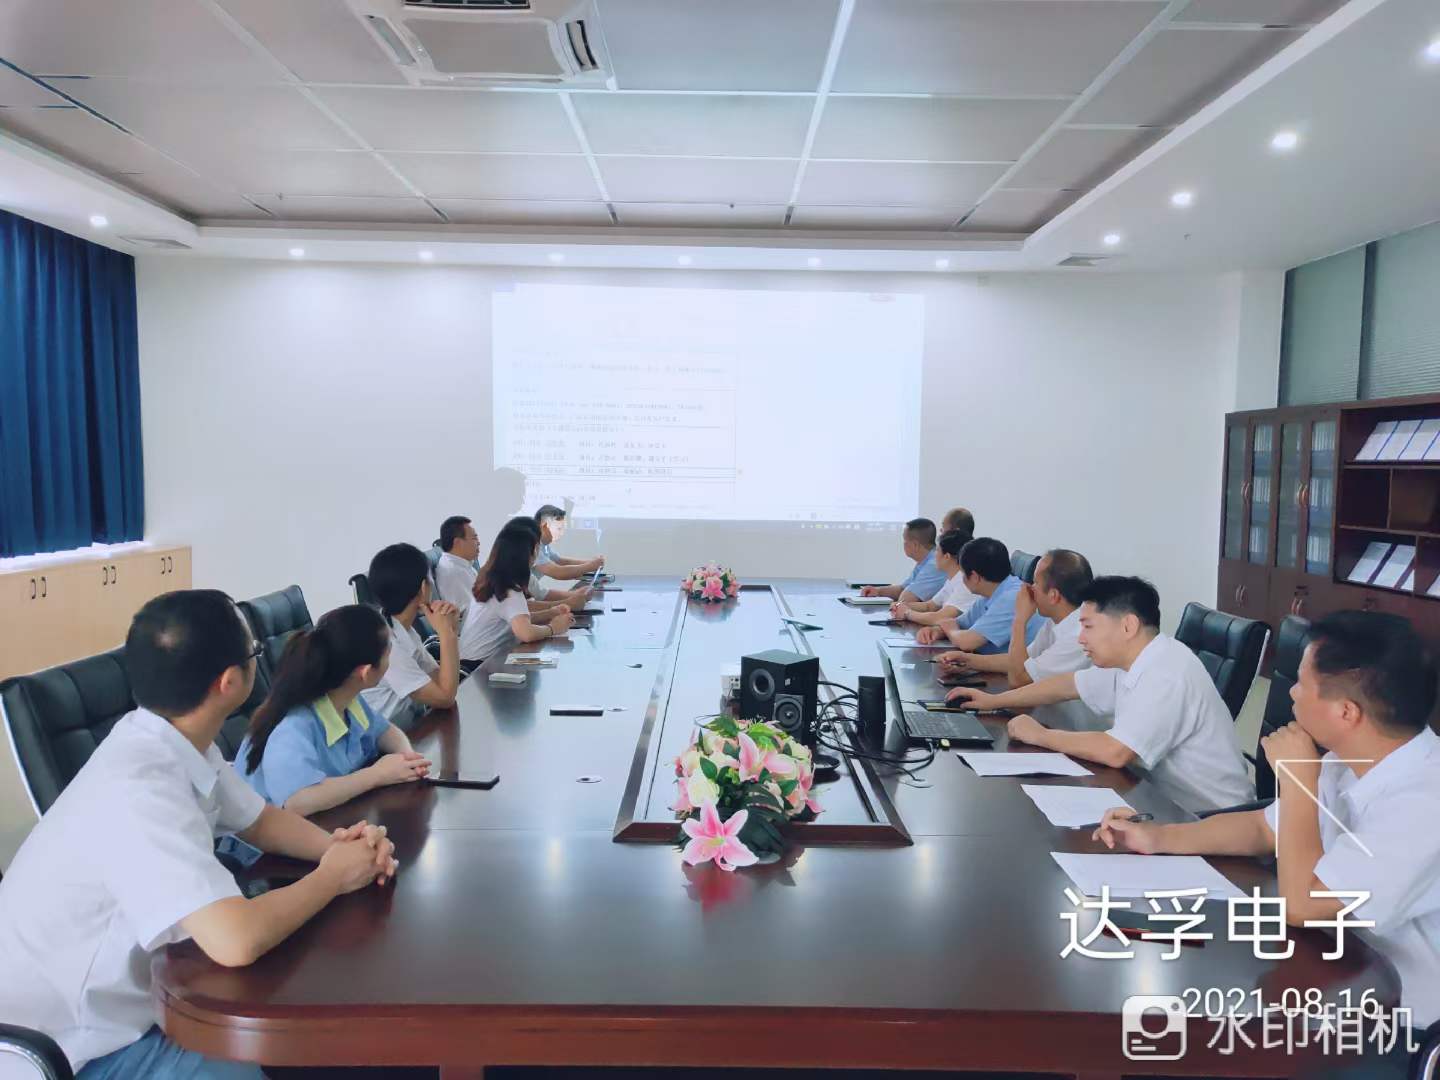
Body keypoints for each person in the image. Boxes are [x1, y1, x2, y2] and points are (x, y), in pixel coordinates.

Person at [0, 590, 397, 1079]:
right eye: (255, 652)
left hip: (134, 1000)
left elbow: (259, 820)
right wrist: (333, 877)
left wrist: (341, 847)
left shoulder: (169, 739)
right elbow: (236, 940)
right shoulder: (138, 789)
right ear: (230, 683)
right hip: (78, 1049)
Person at [1094, 611, 1440, 1077]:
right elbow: (1264, 828)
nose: (1291, 694)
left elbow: (1303, 904)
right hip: (1331, 977)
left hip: (1397, 1025)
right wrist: (1159, 837)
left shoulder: (1425, 801)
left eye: (1302, 684)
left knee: (1181, 1051)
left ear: (1346, 712)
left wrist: (1297, 782)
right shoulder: (1348, 759)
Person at [947, 575, 1252, 814]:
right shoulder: (1132, 660)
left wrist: (1039, 734)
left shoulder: (1167, 671)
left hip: (1209, 817)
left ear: (1128, 626)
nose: (1081, 638)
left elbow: (1115, 752)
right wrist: (993, 701)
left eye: (1088, 626)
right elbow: (1067, 685)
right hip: (1159, 799)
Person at [234, 604, 432, 816]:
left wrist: (407, 756)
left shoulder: (346, 698)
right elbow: (297, 801)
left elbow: (384, 731)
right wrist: (377, 775)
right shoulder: (293, 727)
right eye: (387, 655)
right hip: (268, 833)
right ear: (365, 673)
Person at [937, 548, 1104, 730]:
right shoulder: (1056, 621)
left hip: (1075, 730)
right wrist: (969, 661)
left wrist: (1020, 619)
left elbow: (1019, 679)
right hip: (1049, 720)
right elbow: (1022, 662)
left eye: (1035, 582)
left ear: (1053, 596)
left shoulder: (1078, 636)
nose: (1028, 588)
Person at [361, 542, 460, 728]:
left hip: (410, 730)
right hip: (382, 743)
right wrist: (447, 635)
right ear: (423, 588)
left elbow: (439, 679)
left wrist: (451, 629)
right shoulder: (387, 644)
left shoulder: (401, 629)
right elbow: (445, 697)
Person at [460, 523, 575, 663]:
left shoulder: (493, 579)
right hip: (480, 666)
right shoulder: (507, 588)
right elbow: (526, 633)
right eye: (536, 549)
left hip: (471, 661)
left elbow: (517, 620)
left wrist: (551, 613)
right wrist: (554, 628)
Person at [915, 537, 1046, 654]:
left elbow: (967, 642)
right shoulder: (991, 592)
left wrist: (950, 631)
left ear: (974, 577)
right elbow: (959, 623)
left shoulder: (1011, 597)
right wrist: (937, 631)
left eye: (962, 573)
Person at [892, 527, 978, 626]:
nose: (934, 556)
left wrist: (907, 613)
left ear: (947, 557)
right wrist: (900, 606)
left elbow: (938, 618)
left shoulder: (965, 583)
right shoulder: (953, 579)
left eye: (937, 550)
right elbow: (930, 606)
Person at [860, 517, 946, 602]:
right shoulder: (925, 561)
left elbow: (906, 599)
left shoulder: (934, 564)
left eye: (905, 540)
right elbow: (903, 588)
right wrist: (878, 591)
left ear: (915, 545)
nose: (904, 544)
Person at [532, 504, 604, 582]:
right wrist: (590, 566)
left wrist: (592, 563)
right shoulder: (532, 545)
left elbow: (560, 561)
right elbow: (558, 572)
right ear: (544, 526)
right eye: (558, 528)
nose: (561, 533)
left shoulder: (543, 545)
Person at [433, 514, 481, 612]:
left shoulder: (462, 564)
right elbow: (469, 615)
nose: (478, 543)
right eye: (474, 538)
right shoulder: (451, 572)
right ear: (458, 542)